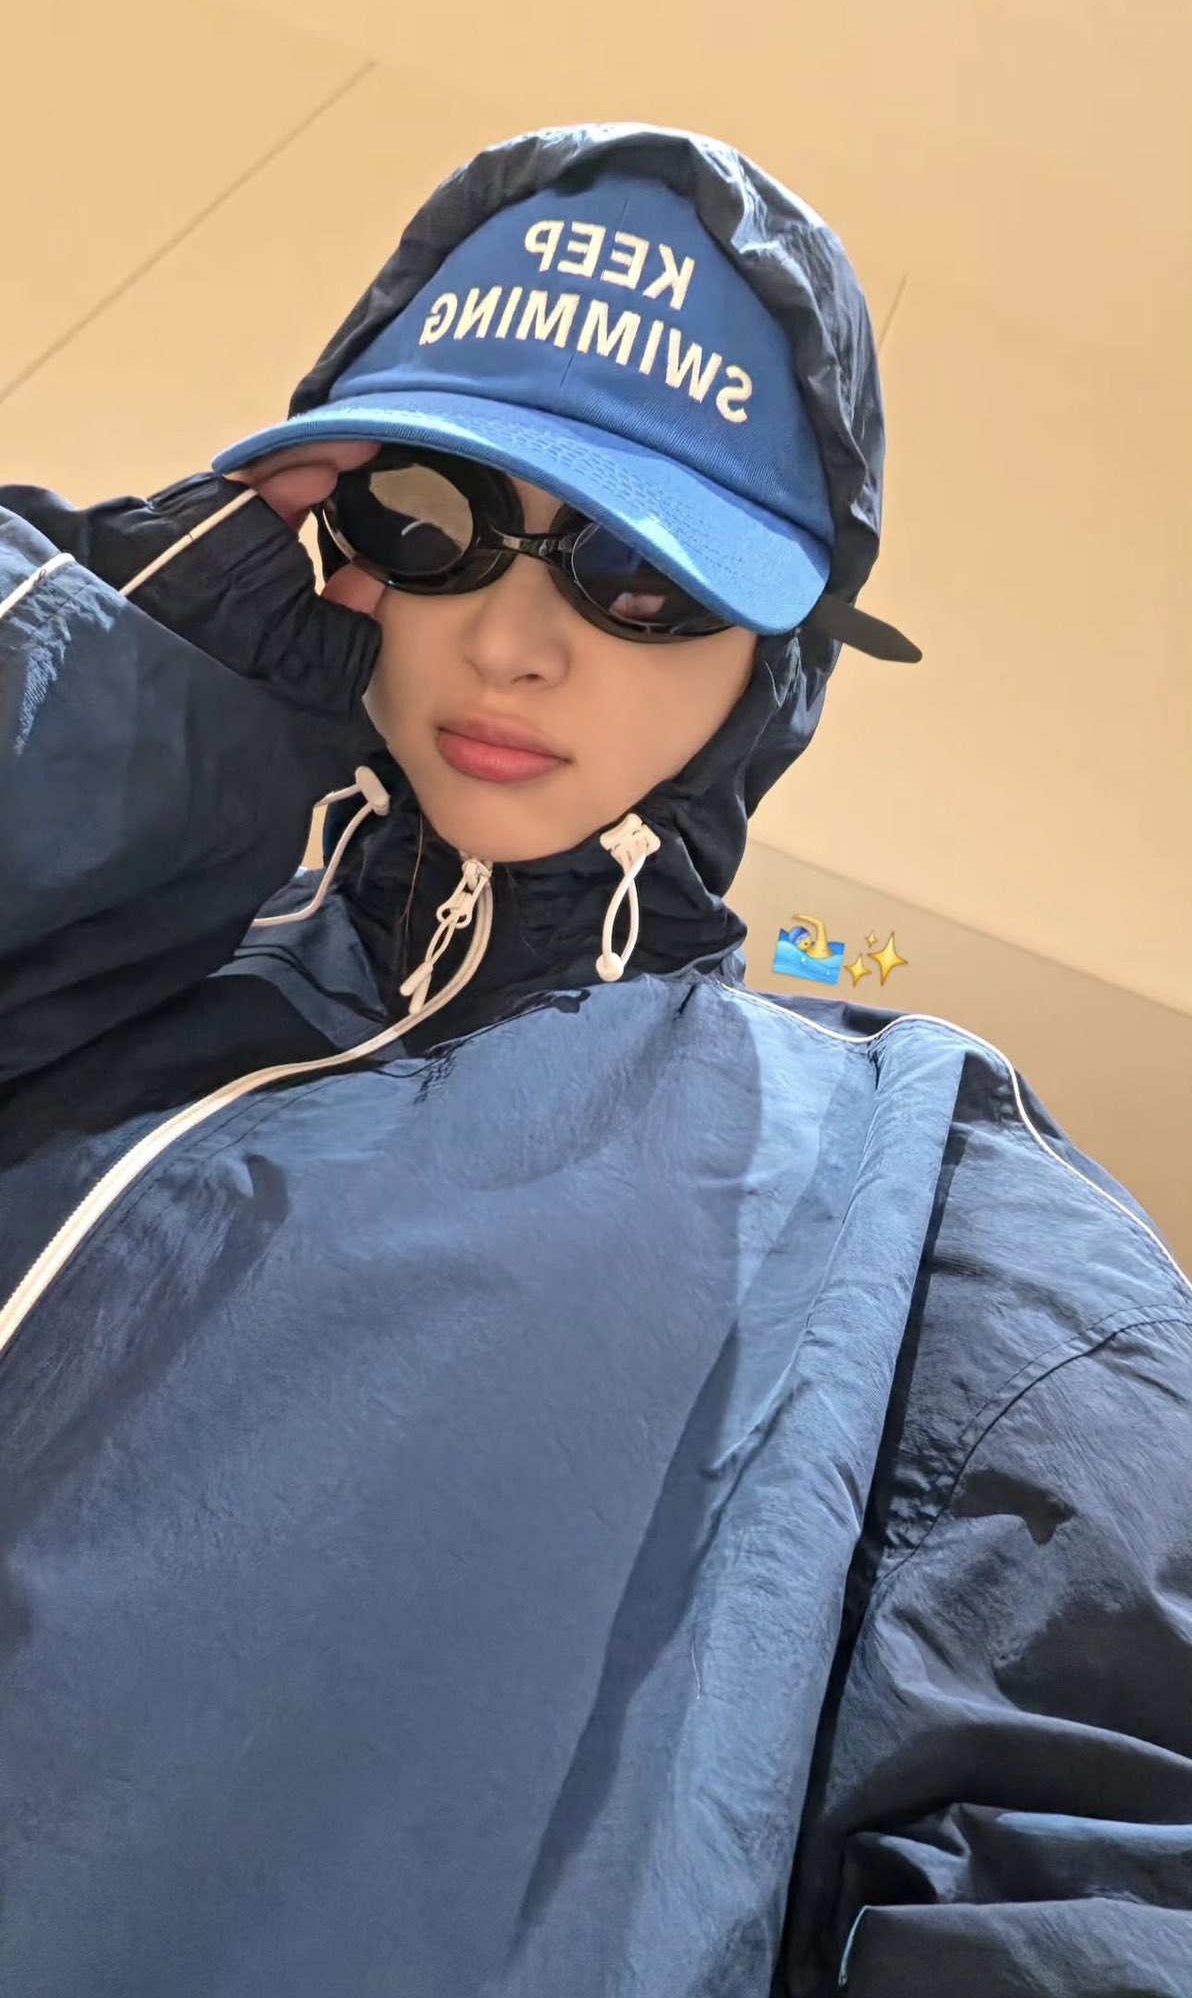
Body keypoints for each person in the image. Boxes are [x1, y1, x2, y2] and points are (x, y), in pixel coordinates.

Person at [0, 120, 1188, 1998]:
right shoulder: (112, 925)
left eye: (642, 576)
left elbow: (1097, 1872)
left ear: (777, 661)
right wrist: (138, 678)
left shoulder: (918, 1209)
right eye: (436, 518)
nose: (512, 641)